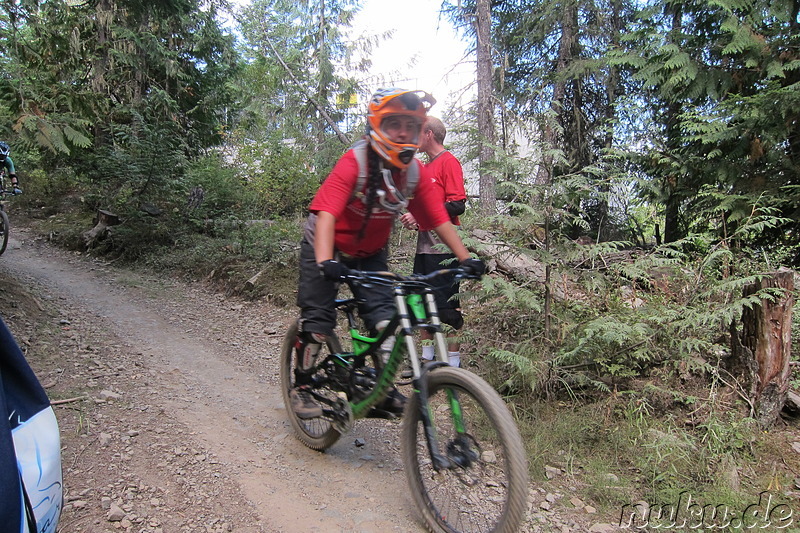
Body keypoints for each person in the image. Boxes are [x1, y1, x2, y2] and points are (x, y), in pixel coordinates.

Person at [291, 88, 485, 419]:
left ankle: (380, 388)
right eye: (393, 123)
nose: (402, 132)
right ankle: (303, 386)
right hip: (326, 244)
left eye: (409, 126)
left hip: (369, 251)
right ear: (376, 126)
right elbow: (327, 215)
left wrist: (465, 259)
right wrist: (325, 261)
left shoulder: (414, 173)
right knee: (319, 321)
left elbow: (438, 218)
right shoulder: (355, 162)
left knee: (386, 321)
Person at [400, 117, 467, 368]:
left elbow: (458, 204)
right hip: (424, 248)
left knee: (448, 308)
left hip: (443, 250)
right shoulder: (424, 168)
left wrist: (422, 214)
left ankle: (453, 364)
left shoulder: (449, 162)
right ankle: (427, 360)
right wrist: (412, 219)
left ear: (428, 134)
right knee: (421, 303)